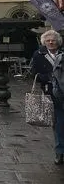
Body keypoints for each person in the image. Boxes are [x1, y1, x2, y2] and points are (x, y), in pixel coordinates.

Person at [31, 30, 64, 165]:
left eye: (53, 40)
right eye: (48, 40)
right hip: (51, 93)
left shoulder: (62, 54)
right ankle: (60, 152)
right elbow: (34, 73)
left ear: (58, 42)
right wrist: (49, 77)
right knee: (58, 123)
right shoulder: (39, 55)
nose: (51, 42)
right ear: (44, 42)